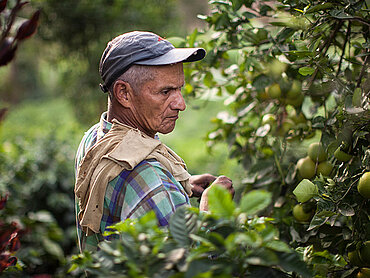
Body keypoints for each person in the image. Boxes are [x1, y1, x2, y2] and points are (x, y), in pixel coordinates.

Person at [74, 31, 234, 252]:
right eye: (165, 91)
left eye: (179, 88)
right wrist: (211, 212)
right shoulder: (154, 186)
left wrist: (177, 184)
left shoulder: (94, 139)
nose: (181, 104)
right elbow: (191, 267)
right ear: (124, 94)